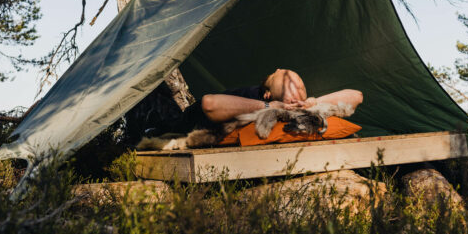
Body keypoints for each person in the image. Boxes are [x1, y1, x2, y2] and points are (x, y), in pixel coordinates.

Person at [147, 68, 362, 137]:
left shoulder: (299, 106)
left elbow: (356, 96)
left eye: (300, 91)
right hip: (181, 123)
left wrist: (313, 103)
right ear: (268, 94)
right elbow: (209, 104)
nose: (296, 96)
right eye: (290, 92)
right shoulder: (254, 98)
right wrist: (268, 108)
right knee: (156, 117)